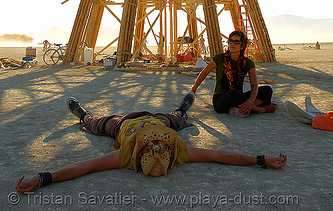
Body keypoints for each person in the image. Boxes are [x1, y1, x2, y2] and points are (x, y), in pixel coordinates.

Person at [15, 95, 286, 193]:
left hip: (123, 124)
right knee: (177, 119)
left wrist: (43, 178)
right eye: (162, 145)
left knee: (96, 123)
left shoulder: (125, 155)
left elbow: (84, 166)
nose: (158, 143)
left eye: (153, 145)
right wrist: (259, 160)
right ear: (168, 151)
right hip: (159, 118)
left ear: (141, 151)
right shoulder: (178, 151)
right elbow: (218, 155)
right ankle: (182, 108)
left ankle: (82, 113)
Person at [190, 30, 277, 117]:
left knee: (267, 90)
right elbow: (204, 73)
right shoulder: (219, 58)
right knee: (235, 93)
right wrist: (193, 90)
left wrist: (250, 101)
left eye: (236, 42)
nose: (232, 44)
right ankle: (259, 109)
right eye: (230, 41)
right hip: (221, 100)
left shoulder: (247, 63)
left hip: (238, 97)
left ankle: (244, 107)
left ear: (242, 46)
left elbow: (254, 84)